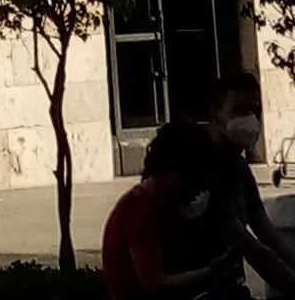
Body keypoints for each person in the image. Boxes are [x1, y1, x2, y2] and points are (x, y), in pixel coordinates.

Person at [180, 74, 295, 300]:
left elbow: (264, 228)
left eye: (254, 111)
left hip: (229, 288)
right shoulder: (201, 165)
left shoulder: (237, 165)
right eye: (239, 109)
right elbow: (250, 247)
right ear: (215, 112)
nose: (249, 119)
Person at [101, 122, 242, 300]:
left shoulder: (158, 205)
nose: (200, 190)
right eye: (198, 178)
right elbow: (155, 285)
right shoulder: (140, 210)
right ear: (179, 171)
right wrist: (210, 272)